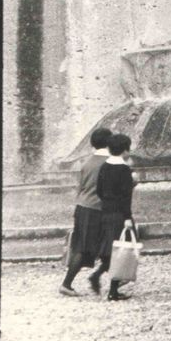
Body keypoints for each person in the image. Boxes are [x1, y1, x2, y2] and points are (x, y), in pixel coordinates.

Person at [59, 126, 113, 296]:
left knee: (87, 246)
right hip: (98, 209)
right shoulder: (110, 162)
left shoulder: (87, 162)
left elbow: (80, 187)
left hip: (83, 207)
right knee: (88, 249)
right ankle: (67, 284)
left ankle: (101, 277)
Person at [92, 133, 136, 301]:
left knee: (111, 249)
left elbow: (100, 191)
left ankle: (108, 283)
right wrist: (127, 216)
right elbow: (126, 197)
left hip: (106, 211)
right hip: (119, 213)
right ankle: (113, 290)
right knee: (121, 250)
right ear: (125, 150)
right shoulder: (124, 169)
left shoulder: (104, 166)